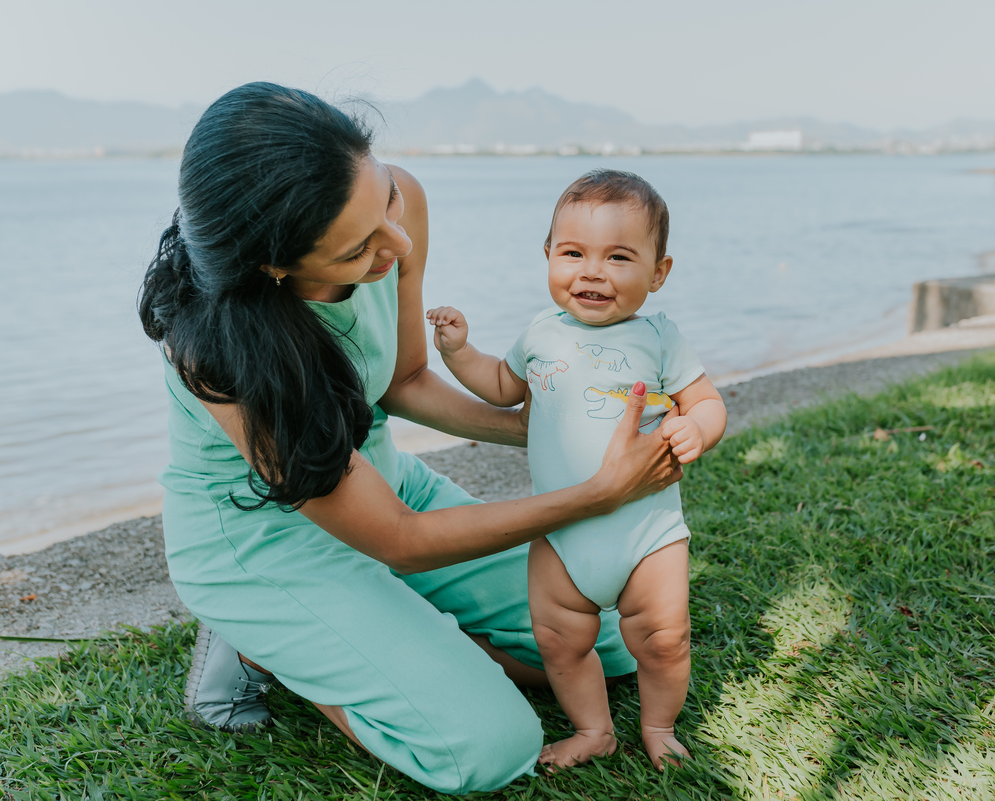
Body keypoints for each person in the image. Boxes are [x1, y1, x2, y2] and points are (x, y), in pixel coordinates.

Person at [137, 84, 682, 796]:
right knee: (491, 746)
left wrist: (549, 426)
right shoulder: (224, 355)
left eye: (384, 202)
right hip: (266, 544)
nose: (396, 244)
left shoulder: (399, 203)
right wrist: (597, 492)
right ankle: (263, 647)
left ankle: (380, 629)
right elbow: (399, 537)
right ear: (275, 268)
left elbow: (403, 377)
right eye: (360, 249)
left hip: (382, 479)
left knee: (605, 645)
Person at [426, 170, 727, 770]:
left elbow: (709, 401)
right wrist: (460, 352)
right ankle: (593, 729)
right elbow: (503, 387)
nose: (592, 272)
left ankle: (659, 723)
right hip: (562, 534)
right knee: (560, 642)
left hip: (648, 535)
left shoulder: (660, 336)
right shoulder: (541, 332)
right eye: (573, 253)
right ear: (548, 257)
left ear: (659, 273)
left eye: (618, 257)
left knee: (663, 641)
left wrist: (697, 427)